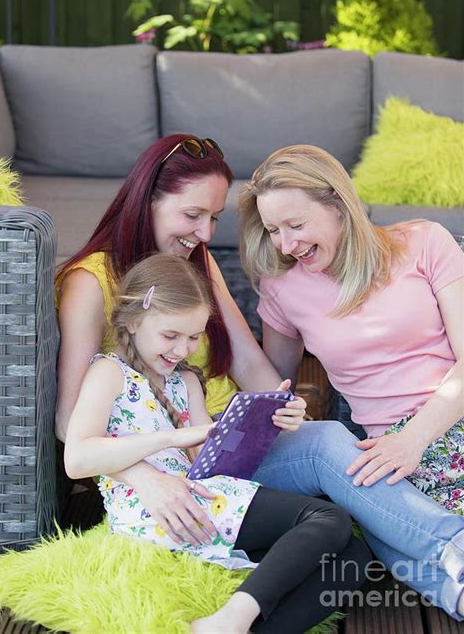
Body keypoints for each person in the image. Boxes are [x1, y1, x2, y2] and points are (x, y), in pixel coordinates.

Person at [57, 133, 463, 619]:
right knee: (328, 445)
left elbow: (251, 364)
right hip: (159, 461)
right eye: (192, 216)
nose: (206, 233)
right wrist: (144, 478)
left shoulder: (197, 262)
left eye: (213, 218)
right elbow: (69, 425)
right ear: (147, 200)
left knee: (343, 507)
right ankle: (452, 544)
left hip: (226, 438)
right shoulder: (91, 282)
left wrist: (282, 405)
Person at [64, 254, 370, 634]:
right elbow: (77, 459)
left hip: (202, 499)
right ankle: (231, 620)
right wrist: (172, 437)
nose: (181, 350)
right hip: (153, 511)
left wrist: (263, 423)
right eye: (170, 336)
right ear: (131, 321)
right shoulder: (108, 373)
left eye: (193, 337)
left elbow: (207, 460)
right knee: (330, 519)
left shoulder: (185, 381)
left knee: (354, 554)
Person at [239, 144, 464, 620]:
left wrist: (413, 440)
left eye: (295, 226)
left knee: (390, 536)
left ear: (339, 204)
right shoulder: (283, 288)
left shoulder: (424, 242)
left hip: (446, 420)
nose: (284, 244)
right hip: (382, 455)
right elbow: (273, 383)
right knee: (385, 530)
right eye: (274, 230)